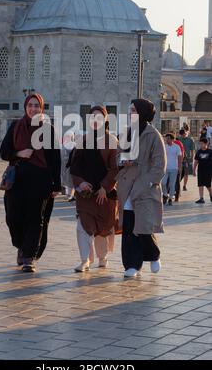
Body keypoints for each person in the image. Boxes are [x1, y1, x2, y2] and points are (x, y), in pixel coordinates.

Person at [0, 93, 61, 273]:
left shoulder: (47, 129)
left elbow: (55, 159)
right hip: (17, 180)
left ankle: (29, 256)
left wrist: (56, 184)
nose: (33, 108)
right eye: (30, 105)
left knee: (35, 218)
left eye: (37, 106)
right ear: (25, 107)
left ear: (41, 109)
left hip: (40, 180)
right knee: (13, 217)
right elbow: (4, 152)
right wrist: (20, 153)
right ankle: (21, 246)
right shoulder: (15, 127)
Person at [117, 99, 166, 278]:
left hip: (145, 187)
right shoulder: (126, 133)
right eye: (129, 110)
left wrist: (149, 182)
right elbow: (118, 154)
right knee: (129, 226)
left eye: (134, 110)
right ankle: (132, 264)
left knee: (144, 226)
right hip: (128, 184)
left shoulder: (153, 135)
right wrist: (123, 161)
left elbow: (160, 163)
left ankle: (153, 254)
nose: (130, 113)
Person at [70, 106, 118, 272]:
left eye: (99, 117)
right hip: (85, 193)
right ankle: (85, 260)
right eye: (93, 117)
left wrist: (105, 187)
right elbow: (74, 167)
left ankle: (102, 258)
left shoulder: (111, 141)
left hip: (104, 194)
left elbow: (114, 168)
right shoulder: (82, 140)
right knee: (82, 226)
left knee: (102, 229)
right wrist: (81, 183)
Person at [162, 133, 182, 206]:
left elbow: (180, 157)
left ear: (172, 139)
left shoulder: (177, 147)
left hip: (174, 168)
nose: (166, 140)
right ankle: (165, 195)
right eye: (166, 138)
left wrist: (179, 167)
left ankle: (170, 198)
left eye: (168, 138)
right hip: (165, 168)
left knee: (172, 184)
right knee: (163, 183)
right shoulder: (165, 147)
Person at [193, 138, 212, 204]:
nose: (201, 145)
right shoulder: (198, 152)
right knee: (200, 184)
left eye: (202, 143)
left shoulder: (210, 151)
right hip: (200, 170)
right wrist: (194, 170)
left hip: (208, 170)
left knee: (208, 185)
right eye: (200, 143)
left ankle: (211, 193)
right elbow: (196, 161)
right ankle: (201, 198)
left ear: (206, 144)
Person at [61, 132, 76, 202]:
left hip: (71, 165)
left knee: (70, 181)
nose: (67, 137)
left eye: (68, 136)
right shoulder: (63, 145)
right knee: (66, 180)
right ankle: (68, 195)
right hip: (64, 165)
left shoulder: (74, 145)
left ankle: (71, 195)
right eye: (66, 136)